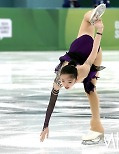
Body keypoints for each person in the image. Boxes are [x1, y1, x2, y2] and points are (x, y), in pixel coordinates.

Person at [40, 3, 106, 144]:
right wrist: (45, 125)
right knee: (86, 18)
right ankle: (92, 16)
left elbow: (94, 51)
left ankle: (97, 126)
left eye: (69, 82)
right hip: (78, 46)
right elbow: (51, 102)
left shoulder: (82, 72)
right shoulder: (59, 79)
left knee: (90, 89)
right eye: (64, 82)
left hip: (91, 52)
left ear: (76, 78)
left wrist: (99, 31)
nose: (65, 85)